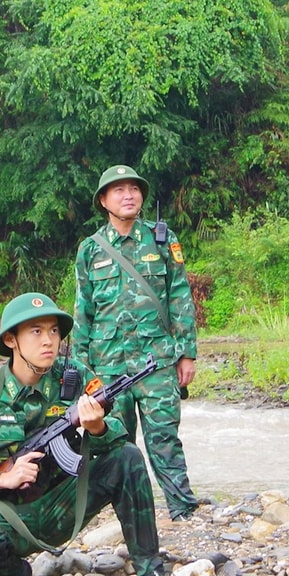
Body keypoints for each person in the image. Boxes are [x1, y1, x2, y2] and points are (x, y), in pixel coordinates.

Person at [0, 292, 193, 576]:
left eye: (54, 331)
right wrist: (3, 480)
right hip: (5, 514)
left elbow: (117, 435)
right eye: (36, 331)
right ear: (12, 340)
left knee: (127, 457)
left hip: (64, 504)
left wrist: (97, 428)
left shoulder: (75, 378)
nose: (49, 341)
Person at [70, 164, 203, 520]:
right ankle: (126, 516)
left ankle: (183, 509)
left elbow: (179, 297)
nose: (128, 195)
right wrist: (80, 371)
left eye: (134, 189)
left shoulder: (161, 239)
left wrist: (186, 353)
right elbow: (82, 311)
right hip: (108, 366)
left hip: (157, 362)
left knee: (164, 439)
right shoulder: (90, 250)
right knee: (115, 444)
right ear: (103, 201)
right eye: (118, 190)